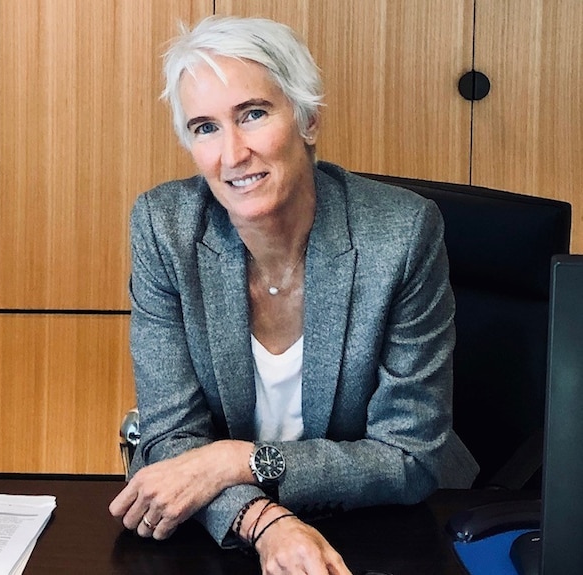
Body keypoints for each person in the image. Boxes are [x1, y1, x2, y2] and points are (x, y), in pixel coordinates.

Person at [108, 15, 479, 575]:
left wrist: (241, 459)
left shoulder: (401, 234)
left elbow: (408, 456)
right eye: (205, 127)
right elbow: (171, 440)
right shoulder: (166, 227)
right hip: (230, 528)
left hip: (387, 527)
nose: (232, 153)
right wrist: (265, 521)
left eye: (253, 114)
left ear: (307, 119)